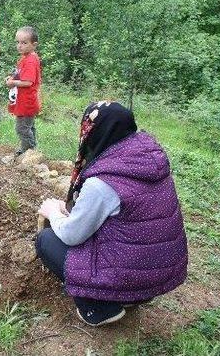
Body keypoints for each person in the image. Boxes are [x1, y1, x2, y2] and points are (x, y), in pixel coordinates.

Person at [35, 101, 188, 327]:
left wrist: (52, 212)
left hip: (130, 275)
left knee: (47, 240)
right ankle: (131, 296)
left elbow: (71, 235)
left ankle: (98, 308)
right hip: (160, 272)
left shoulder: (103, 181)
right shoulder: (147, 158)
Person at [6, 26, 42, 155]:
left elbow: (28, 82)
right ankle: (31, 150)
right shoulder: (25, 58)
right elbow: (20, 75)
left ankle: (29, 151)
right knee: (28, 127)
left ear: (34, 44)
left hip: (27, 102)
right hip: (23, 101)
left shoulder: (31, 60)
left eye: (24, 43)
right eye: (18, 42)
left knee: (22, 128)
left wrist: (13, 82)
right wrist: (12, 78)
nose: (20, 46)